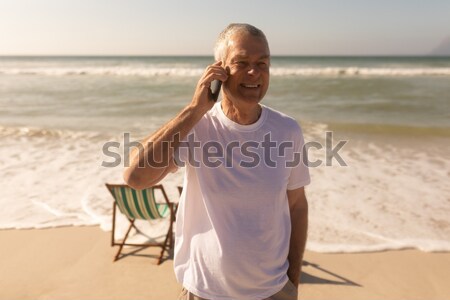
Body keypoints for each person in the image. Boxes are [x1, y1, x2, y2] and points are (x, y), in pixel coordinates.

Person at [124, 23, 310, 300]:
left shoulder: (287, 129)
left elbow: (296, 206)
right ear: (218, 69)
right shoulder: (196, 127)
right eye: (242, 62)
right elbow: (135, 178)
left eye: (263, 63)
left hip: (273, 291)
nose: (254, 72)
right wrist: (195, 108)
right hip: (205, 292)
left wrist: (292, 280)